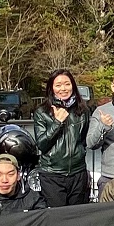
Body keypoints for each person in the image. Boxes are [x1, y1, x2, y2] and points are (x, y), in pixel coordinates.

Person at [33, 68, 93, 207]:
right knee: (57, 216)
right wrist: (57, 123)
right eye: (58, 85)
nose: (63, 89)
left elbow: (84, 139)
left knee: (77, 215)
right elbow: (42, 144)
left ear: (73, 86)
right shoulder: (42, 112)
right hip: (52, 173)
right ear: (51, 88)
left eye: (67, 84)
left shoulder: (82, 110)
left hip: (78, 172)